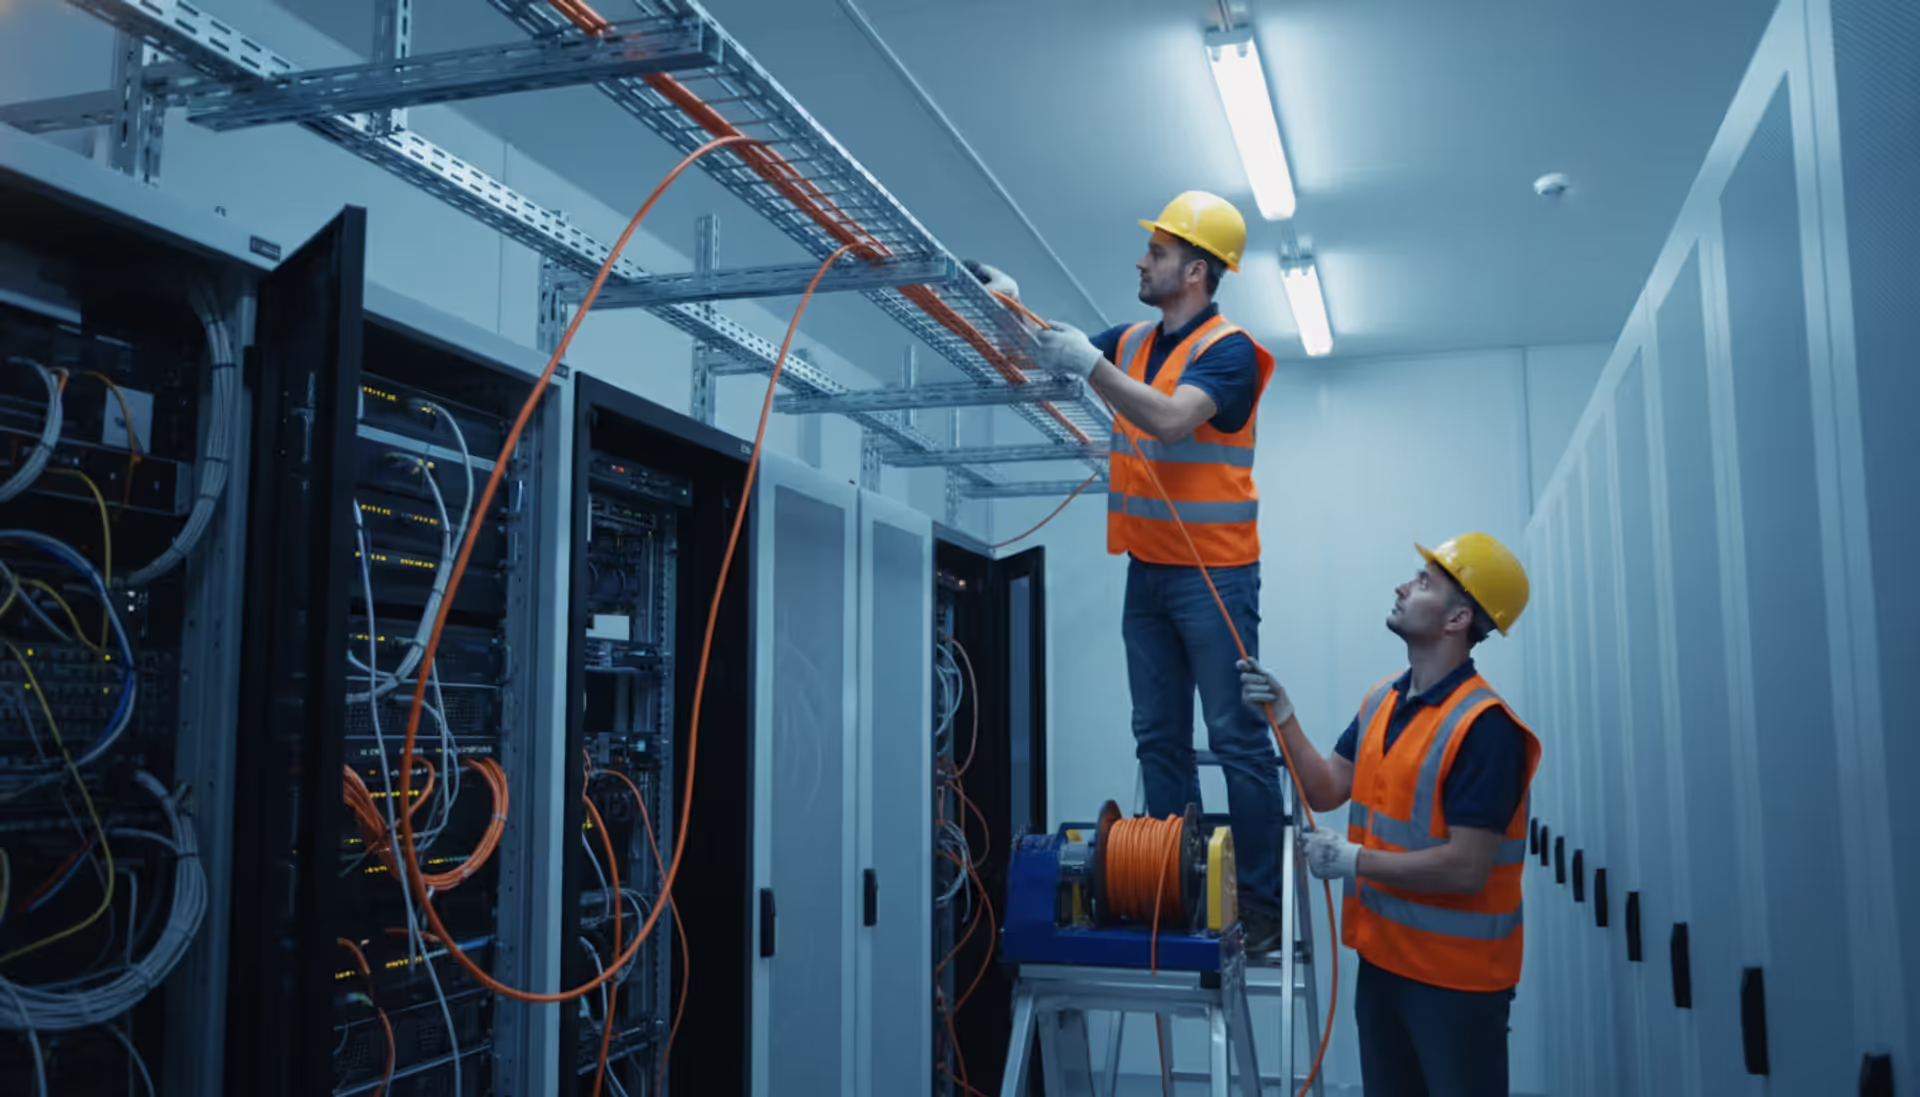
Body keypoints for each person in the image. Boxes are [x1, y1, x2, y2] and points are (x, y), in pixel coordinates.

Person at [976, 190, 1289, 949]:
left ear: (1195, 269)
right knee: (1157, 738)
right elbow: (1045, 349)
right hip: (1147, 573)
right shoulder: (1135, 341)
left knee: (1237, 737)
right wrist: (1008, 309)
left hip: (1216, 575)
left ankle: (1259, 906)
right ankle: (1178, 887)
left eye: (1156, 251)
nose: (1141, 260)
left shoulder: (1229, 349)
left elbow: (1170, 418)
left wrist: (1093, 365)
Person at [1237, 533, 1540, 1097]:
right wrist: (1283, 715)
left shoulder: (1486, 729)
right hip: (1383, 966)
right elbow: (1326, 788)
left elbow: (1466, 869)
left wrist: (1354, 861)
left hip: (1457, 984)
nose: (1403, 586)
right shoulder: (1383, 700)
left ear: (1458, 618)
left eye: (1424, 582)